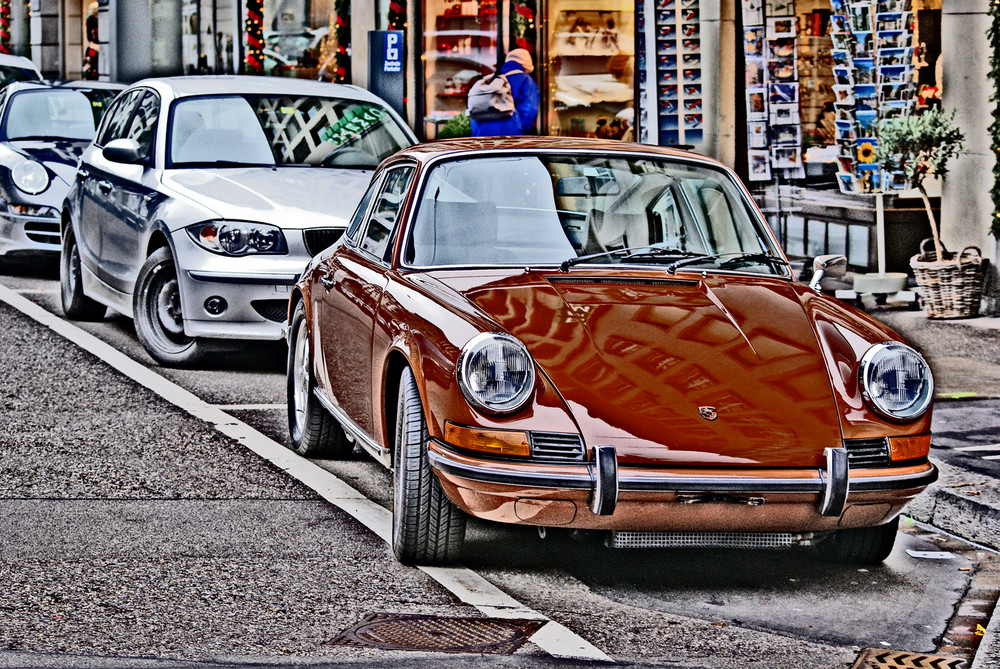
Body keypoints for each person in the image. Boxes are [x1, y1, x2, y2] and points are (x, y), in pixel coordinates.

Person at [470, 48, 540, 137]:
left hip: (482, 133)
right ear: (526, 65)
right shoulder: (526, 80)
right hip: (510, 135)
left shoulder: (493, 79)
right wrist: (518, 129)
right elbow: (529, 111)